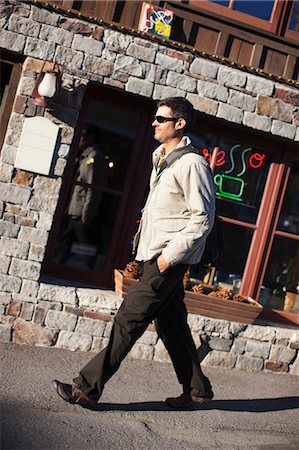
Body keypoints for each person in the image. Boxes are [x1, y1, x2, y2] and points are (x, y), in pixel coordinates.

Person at [52, 97, 216, 410]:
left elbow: (202, 218)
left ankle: (86, 388)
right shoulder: (164, 160)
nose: (153, 123)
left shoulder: (192, 164)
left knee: (129, 318)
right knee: (173, 326)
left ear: (179, 124)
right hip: (155, 257)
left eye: (160, 119)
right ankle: (197, 389)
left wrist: (170, 256)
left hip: (168, 260)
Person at [55, 123, 106, 264]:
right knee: (65, 243)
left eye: (82, 136)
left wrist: (86, 216)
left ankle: (92, 272)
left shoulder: (93, 158)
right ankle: (60, 265)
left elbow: (93, 189)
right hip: (75, 211)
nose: (80, 139)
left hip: (81, 213)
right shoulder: (85, 156)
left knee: (86, 247)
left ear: (90, 137)